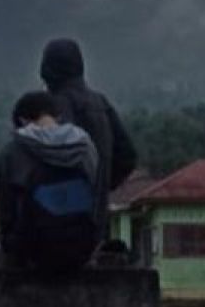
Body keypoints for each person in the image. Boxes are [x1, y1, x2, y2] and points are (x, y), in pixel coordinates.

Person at [38, 38, 137, 239]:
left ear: (48, 71)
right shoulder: (101, 104)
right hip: (95, 223)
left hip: (59, 227)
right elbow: (128, 156)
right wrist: (101, 185)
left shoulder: (55, 106)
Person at [0, 91, 100, 270]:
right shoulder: (85, 147)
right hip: (81, 247)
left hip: (32, 251)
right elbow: (95, 191)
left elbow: (8, 210)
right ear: (57, 116)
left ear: (22, 121)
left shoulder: (13, 151)